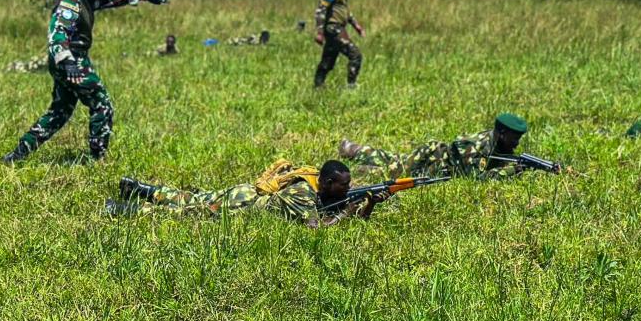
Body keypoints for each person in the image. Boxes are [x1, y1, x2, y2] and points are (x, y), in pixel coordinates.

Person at [1, 0, 168, 164]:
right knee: (102, 104)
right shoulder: (70, 2)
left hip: (68, 61)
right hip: (72, 61)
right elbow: (57, 33)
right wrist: (67, 61)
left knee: (60, 112)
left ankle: (17, 154)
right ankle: (98, 158)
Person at [111, 159, 378, 227]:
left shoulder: (315, 179)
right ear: (329, 182)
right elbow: (314, 226)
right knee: (187, 212)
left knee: (192, 198)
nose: (349, 188)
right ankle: (124, 208)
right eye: (344, 185)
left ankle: (140, 189)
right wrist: (345, 213)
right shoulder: (303, 194)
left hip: (245, 193)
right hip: (243, 206)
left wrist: (369, 205)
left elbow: (335, 206)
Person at [340, 113, 533, 180]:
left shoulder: (497, 144)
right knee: (392, 171)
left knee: (395, 159)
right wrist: (513, 170)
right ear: (501, 133)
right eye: (514, 139)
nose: (516, 143)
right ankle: (356, 164)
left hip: (436, 161)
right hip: (431, 162)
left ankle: (354, 149)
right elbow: (478, 178)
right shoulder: (476, 147)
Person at [313, 0, 364, 89]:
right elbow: (321, 9)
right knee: (355, 55)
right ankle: (351, 87)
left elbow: (344, 10)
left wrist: (356, 25)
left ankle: (318, 86)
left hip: (338, 27)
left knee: (328, 61)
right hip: (333, 28)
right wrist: (319, 32)